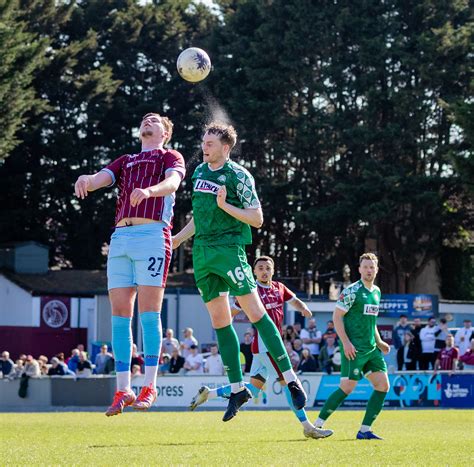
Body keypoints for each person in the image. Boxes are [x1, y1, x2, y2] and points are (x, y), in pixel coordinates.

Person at [172, 123, 308, 421]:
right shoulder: (198, 173)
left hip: (229, 249)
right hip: (203, 254)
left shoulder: (239, 175)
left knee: (257, 314)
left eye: (210, 142)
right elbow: (199, 217)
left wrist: (226, 205)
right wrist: (176, 240)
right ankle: (237, 389)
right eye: (203, 141)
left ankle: (291, 378)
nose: (204, 146)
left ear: (226, 147)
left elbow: (257, 219)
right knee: (220, 321)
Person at [74, 112, 185, 416]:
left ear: (165, 133)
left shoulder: (170, 155)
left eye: (155, 121)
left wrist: (150, 191)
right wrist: (87, 180)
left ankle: (150, 385)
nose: (148, 121)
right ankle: (123, 389)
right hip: (121, 238)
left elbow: (173, 183)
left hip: (152, 234)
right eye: (144, 120)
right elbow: (101, 179)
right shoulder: (126, 160)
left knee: (149, 315)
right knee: (120, 318)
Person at [190, 255, 331, 439]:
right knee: (289, 385)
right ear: (254, 272)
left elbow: (293, 299)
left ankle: (209, 394)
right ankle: (308, 427)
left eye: (268, 268)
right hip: (265, 345)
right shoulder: (250, 290)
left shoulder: (279, 287)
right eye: (261, 268)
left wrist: (303, 307)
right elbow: (233, 310)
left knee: (254, 389)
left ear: (273, 270)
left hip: (268, 347)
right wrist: (223, 323)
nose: (264, 271)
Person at [314, 253, 390, 440]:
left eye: (372, 267)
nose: (369, 270)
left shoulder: (377, 292)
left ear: (376, 269)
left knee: (383, 385)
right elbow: (337, 317)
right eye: (365, 267)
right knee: (347, 388)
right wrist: (346, 343)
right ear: (359, 269)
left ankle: (364, 430)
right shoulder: (352, 291)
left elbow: (372, 322)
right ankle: (316, 425)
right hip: (353, 349)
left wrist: (379, 342)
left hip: (372, 350)